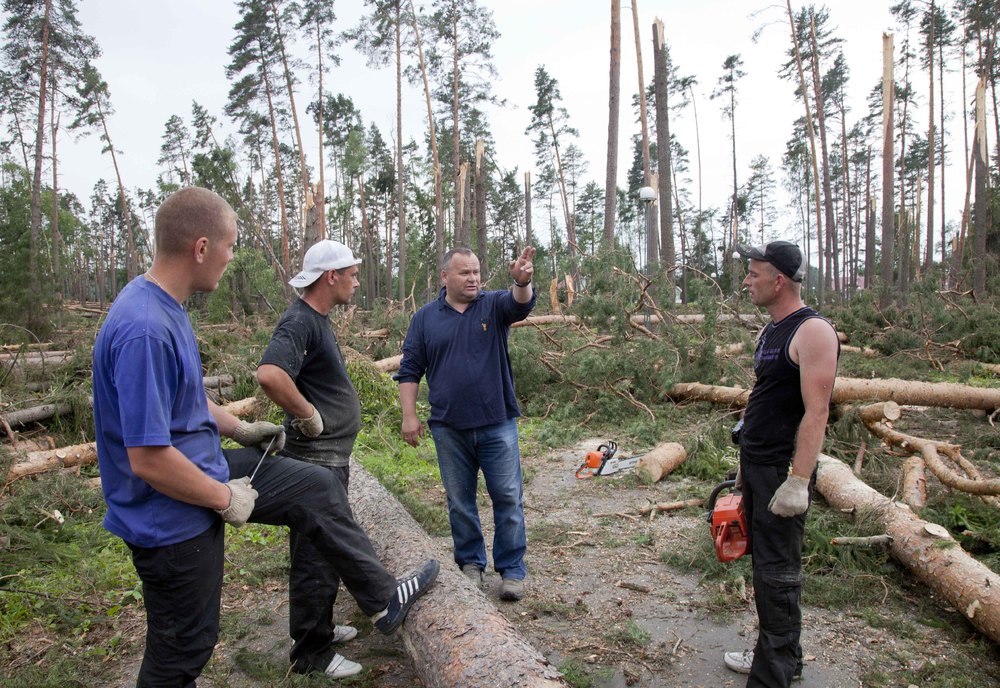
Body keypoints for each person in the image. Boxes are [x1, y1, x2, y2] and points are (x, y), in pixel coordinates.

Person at [92, 187, 439, 687]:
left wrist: (238, 427)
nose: (233, 259)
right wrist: (222, 496)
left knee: (316, 489)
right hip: (168, 507)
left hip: (201, 463)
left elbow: (183, 398)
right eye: (231, 246)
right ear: (201, 247)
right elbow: (147, 458)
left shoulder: (165, 307)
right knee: (182, 651)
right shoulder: (145, 327)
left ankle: (384, 598)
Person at [724, 241, 839, 687]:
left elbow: (818, 411)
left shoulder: (812, 332)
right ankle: (779, 655)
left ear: (779, 280)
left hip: (780, 472)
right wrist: (743, 459)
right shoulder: (773, 330)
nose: (747, 281)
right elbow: (766, 397)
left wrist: (799, 481)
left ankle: (772, 675)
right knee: (763, 568)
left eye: (755, 274)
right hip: (757, 465)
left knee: (778, 572)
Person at [396, 246, 536, 601]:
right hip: (448, 427)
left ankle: (512, 570)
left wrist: (523, 282)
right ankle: (471, 564)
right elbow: (410, 368)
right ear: (445, 277)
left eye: (476, 272)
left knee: (507, 497)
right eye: (465, 273)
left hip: (496, 422)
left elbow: (520, 305)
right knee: (460, 500)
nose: (473, 278)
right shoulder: (425, 318)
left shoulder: (492, 305)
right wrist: (409, 415)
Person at [257, 239, 369, 675]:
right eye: (353, 274)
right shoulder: (300, 320)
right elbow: (270, 374)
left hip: (328, 458)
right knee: (315, 553)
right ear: (331, 276)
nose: (357, 282)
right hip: (316, 459)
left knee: (321, 546)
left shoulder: (316, 319)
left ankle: (316, 626)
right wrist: (307, 414)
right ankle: (311, 653)